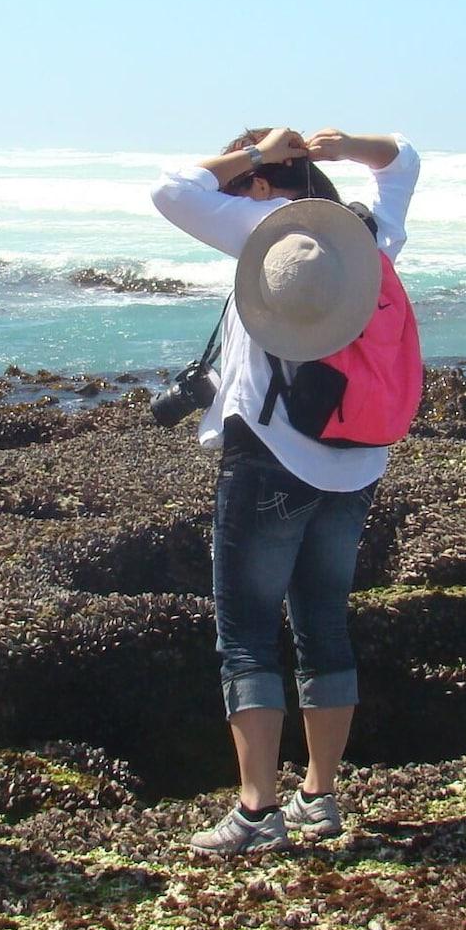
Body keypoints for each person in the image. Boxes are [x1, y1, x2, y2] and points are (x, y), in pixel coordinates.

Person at [150, 126, 420, 854]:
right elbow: (403, 165)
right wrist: (347, 145)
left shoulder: (264, 228)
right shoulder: (370, 241)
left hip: (270, 455)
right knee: (323, 623)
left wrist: (258, 153)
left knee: (245, 638)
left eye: (251, 180)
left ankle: (256, 809)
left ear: (264, 185)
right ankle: (320, 798)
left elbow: (173, 188)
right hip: (358, 461)